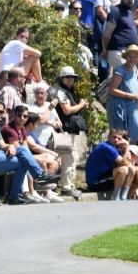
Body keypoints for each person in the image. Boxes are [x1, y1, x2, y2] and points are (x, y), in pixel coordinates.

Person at [0, 100, 56, 205]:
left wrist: (10, 146)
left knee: (23, 162)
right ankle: (39, 176)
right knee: (22, 151)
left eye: (1, 112)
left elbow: (2, 145)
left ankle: (14, 197)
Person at [49, 67, 87, 199]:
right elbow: (67, 110)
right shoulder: (60, 91)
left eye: (72, 77)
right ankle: (67, 187)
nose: (71, 80)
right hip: (64, 130)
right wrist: (81, 105)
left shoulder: (56, 89)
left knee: (64, 158)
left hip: (60, 129)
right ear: (62, 78)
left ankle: (64, 186)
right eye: (68, 77)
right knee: (69, 158)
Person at [86, 129, 138, 200]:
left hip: (105, 177)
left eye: (119, 138)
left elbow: (127, 163)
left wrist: (124, 150)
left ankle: (125, 196)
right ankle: (116, 197)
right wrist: (127, 147)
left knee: (135, 170)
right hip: (95, 182)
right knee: (124, 170)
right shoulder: (106, 147)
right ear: (108, 137)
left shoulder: (114, 147)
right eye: (114, 137)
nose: (116, 140)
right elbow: (123, 163)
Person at [107, 44, 138, 143]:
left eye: (135, 57)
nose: (132, 59)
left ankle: (129, 154)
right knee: (119, 136)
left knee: (135, 131)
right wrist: (132, 96)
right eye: (130, 56)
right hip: (120, 108)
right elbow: (112, 89)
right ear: (126, 57)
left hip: (132, 106)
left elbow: (132, 88)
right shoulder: (120, 70)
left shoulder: (134, 69)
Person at [101, 0, 138, 71]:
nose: (130, 0)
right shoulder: (115, 11)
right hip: (119, 51)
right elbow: (106, 35)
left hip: (130, 53)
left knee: (128, 81)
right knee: (123, 81)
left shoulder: (129, 13)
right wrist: (105, 49)